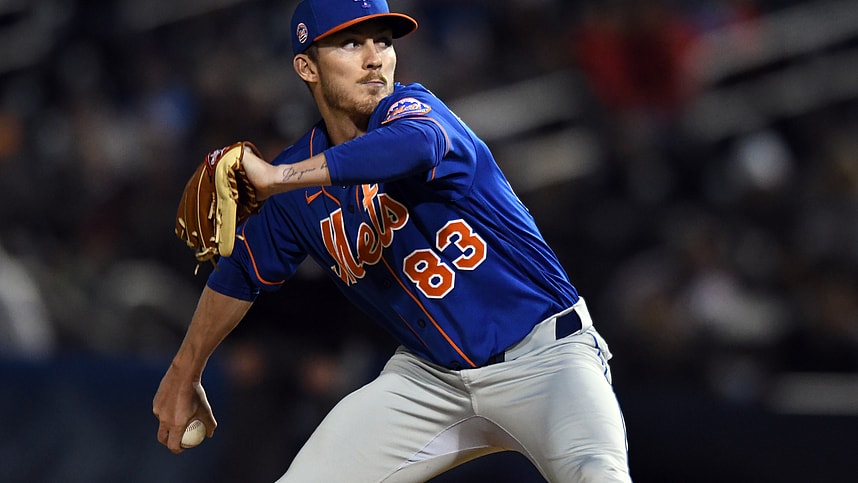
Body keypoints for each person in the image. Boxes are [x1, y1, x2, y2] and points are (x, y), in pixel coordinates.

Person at [152, 0, 632, 481]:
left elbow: (416, 145)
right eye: (350, 43)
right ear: (306, 66)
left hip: (545, 358)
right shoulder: (297, 189)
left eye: (382, 40)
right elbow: (238, 277)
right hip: (429, 382)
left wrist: (279, 176)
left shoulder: (416, 110)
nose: (374, 56)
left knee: (598, 475)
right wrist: (185, 371)